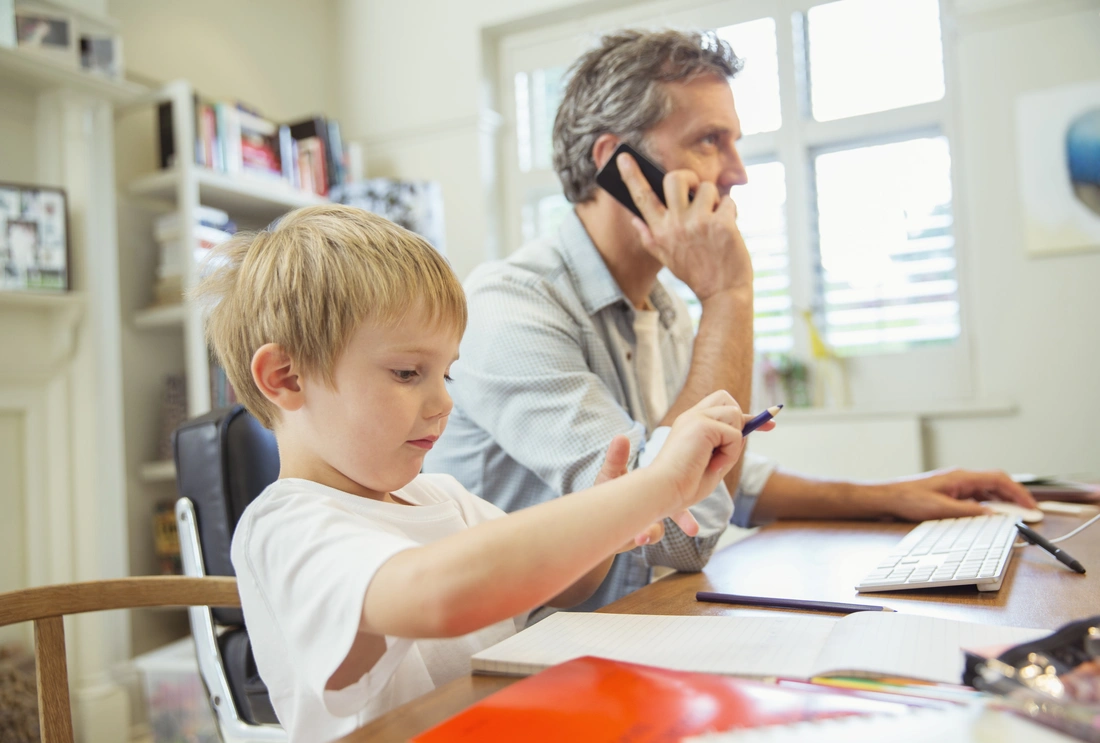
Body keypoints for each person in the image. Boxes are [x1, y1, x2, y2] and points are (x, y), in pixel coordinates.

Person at [424, 29, 1036, 613]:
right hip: (525, 655)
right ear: (617, 161)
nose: (737, 171)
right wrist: (728, 297)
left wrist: (893, 498)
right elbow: (667, 525)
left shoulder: (661, 305)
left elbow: (725, 479)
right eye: (710, 141)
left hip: (634, 623)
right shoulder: (510, 307)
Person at [193, 203, 761, 741]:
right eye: (408, 372)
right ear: (286, 378)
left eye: (447, 375)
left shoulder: (440, 495)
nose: (443, 403)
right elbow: (439, 596)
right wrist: (651, 485)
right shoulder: (287, 526)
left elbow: (556, 588)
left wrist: (606, 527)